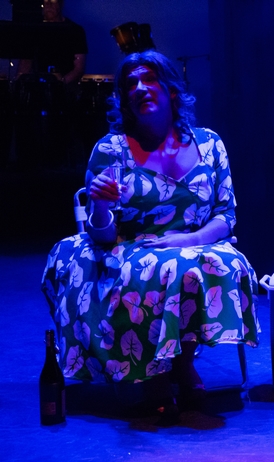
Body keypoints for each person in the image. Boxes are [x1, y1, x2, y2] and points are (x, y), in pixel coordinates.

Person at [41, 50, 260, 425]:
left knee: (215, 262)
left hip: (196, 241)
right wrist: (99, 204)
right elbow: (103, 233)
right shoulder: (111, 150)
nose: (141, 88)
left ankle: (183, 364)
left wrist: (187, 241)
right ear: (125, 99)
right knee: (157, 267)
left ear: (171, 90)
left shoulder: (209, 144)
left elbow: (226, 216)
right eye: (131, 84)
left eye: (150, 79)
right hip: (132, 245)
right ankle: (156, 374)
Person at [18, 0, 87, 85]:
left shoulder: (75, 31)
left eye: (53, 1)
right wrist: (20, 84)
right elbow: (25, 63)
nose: (49, 5)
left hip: (65, 86)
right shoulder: (33, 29)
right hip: (37, 85)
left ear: (60, 4)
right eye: (46, 1)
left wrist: (60, 83)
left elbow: (78, 68)